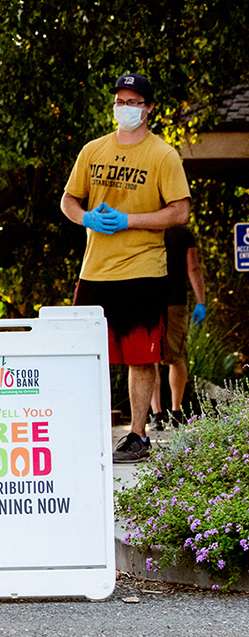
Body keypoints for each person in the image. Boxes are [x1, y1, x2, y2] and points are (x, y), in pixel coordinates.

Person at [61, 73, 191, 463]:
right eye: (121, 100)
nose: (126, 108)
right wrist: (85, 218)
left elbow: (180, 210)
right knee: (82, 354)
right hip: (95, 269)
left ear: (149, 108)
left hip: (143, 269)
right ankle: (83, 428)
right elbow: (69, 200)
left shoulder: (163, 155)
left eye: (134, 102)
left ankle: (137, 434)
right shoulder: (92, 150)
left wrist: (129, 220)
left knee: (141, 356)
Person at [149, 225, 206, 430]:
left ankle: (156, 414)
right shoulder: (183, 232)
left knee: (149, 358)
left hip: (147, 299)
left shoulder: (143, 223)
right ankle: (176, 411)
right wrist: (201, 301)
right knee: (176, 357)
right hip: (175, 300)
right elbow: (193, 268)